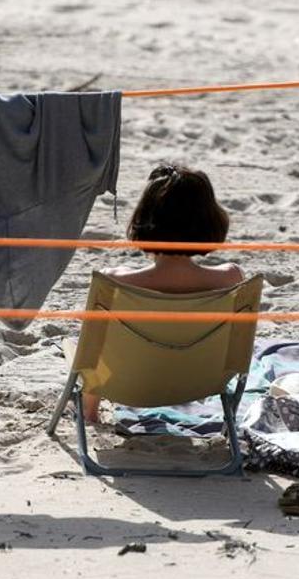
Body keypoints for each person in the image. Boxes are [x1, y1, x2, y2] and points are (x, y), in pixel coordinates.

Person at [84, 163, 244, 421]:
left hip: (129, 386)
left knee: (85, 348)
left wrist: (89, 412)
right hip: (201, 384)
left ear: (145, 219)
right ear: (209, 221)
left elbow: (93, 355)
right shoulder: (231, 279)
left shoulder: (114, 282)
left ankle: (88, 413)